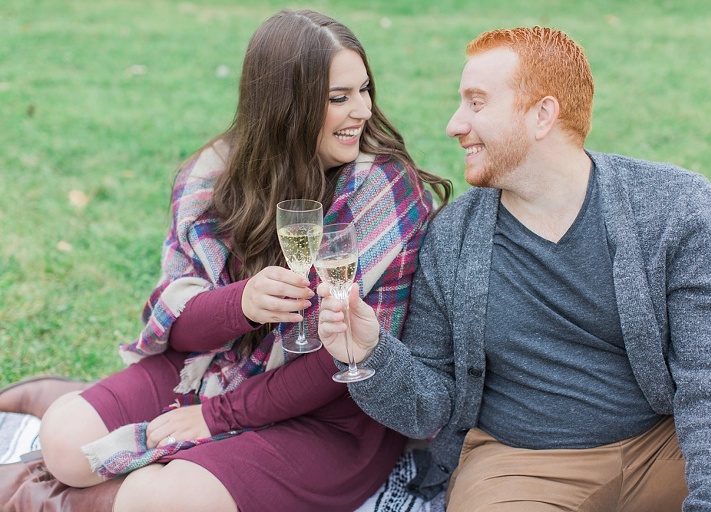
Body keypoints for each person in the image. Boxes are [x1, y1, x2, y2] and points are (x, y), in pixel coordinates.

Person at [0, 8, 451, 512]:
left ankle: (89, 493)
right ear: (285, 105)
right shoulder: (213, 178)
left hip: (332, 417)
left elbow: (343, 358)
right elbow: (178, 324)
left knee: (159, 500)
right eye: (339, 98)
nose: (363, 111)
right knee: (64, 444)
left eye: (365, 90)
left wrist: (219, 416)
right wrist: (243, 304)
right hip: (214, 365)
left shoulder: (383, 193)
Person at [317, 25, 711, 511]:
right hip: (520, 469)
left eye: (476, 102)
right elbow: (430, 406)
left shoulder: (676, 208)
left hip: (664, 444)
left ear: (542, 115)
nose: (453, 123)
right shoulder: (452, 238)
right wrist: (369, 354)